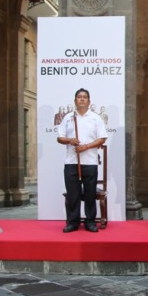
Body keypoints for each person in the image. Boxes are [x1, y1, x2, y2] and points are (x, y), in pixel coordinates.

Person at [57, 88, 107, 233]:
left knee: (90, 194)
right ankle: (73, 222)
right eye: (79, 97)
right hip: (71, 162)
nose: (82, 99)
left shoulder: (96, 118)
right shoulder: (68, 117)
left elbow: (102, 138)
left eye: (85, 97)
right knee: (73, 194)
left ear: (89, 101)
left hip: (90, 162)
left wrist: (86, 146)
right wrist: (70, 140)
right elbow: (60, 137)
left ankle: (90, 222)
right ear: (75, 101)